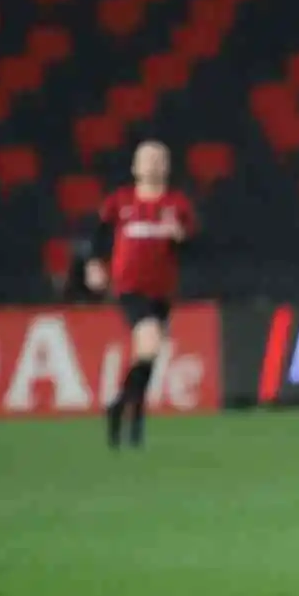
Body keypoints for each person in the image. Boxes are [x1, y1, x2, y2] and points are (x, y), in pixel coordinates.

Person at [86, 140, 197, 449]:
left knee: (147, 359)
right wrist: (94, 264)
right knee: (148, 345)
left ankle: (135, 421)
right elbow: (98, 235)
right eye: (146, 159)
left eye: (159, 159)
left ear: (167, 166)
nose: (153, 164)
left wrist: (181, 238)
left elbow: (192, 248)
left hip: (161, 291)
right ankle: (118, 405)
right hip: (130, 289)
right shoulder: (120, 202)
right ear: (135, 167)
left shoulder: (177, 205)